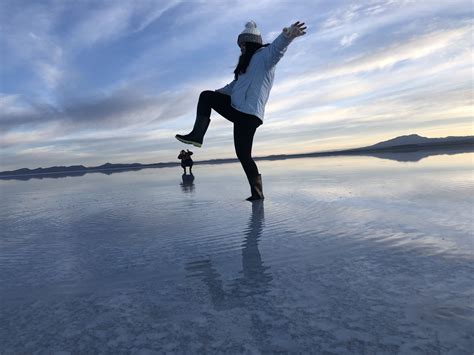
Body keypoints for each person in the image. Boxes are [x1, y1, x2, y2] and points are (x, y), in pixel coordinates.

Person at [176, 20, 307, 201]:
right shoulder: (244, 67)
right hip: (240, 112)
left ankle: (197, 135)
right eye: (240, 46)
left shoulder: (264, 56)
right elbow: (234, 87)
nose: (241, 49)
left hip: (249, 113)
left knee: (206, 97)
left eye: (243, 45)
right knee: (244, 155)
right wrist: (217, 94)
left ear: (251, 43)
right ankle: (257, 193)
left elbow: (278, 49)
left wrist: (288, 36)